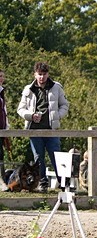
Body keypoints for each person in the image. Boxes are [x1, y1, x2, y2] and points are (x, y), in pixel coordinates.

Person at [17, 62, 69, 190]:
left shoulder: (56, 87)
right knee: (38, 157)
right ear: (35, 74)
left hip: (51, 129)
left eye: (44, 74)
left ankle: (63, 183)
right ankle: (42, 182)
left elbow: (65, 105)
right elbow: (20, 109)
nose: (42, 77)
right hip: (35, 129)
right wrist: (31, 115)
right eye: (39, 74)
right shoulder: (28, 89)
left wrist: (57, 115)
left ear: (48, 74)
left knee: (56, 155)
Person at [0, 70, 9, 159]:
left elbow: (4, 112)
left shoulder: (1, 91)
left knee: (1, 156)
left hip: (2, 129)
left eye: (2, 76)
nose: (1, 78)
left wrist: (6, 127)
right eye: (0, 76)